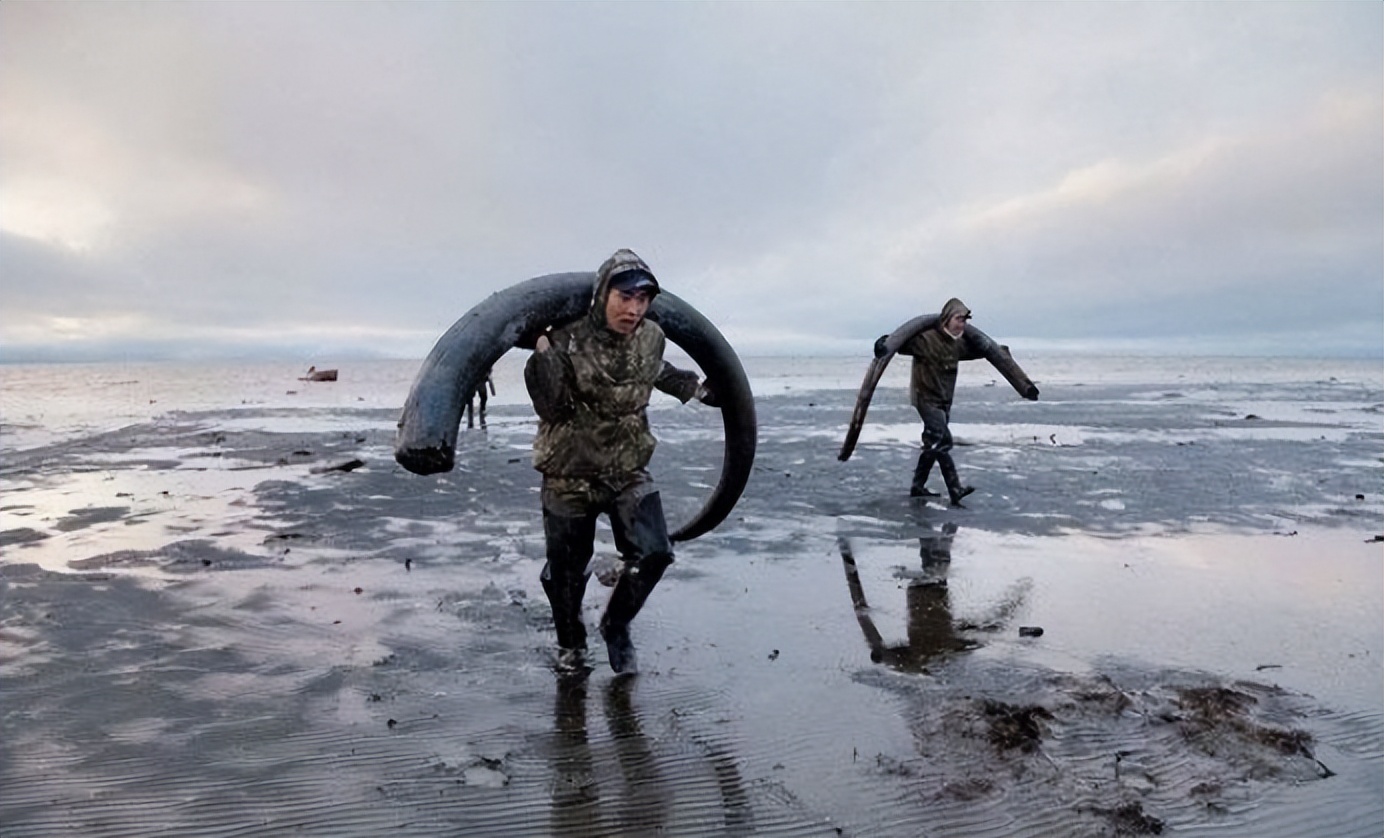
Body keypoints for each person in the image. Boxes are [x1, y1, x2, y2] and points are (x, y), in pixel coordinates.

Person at [524, 249, 718, 676]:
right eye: (624, 296)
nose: (634, 308)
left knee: (654, 553)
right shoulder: (565, 338)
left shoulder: (651, 336)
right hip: (568, 471)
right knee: (566, 572)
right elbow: (552, 407)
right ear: (601, 295)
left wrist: (699, 391)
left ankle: (616, 625)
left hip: (627, 465)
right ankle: (571, 644)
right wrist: (543, 351)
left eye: (643, 298)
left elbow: (656, 369)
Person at [896, 297, 977, 506]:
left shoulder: (958, 344)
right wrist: (884, 342)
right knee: (944, 441)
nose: (962, 324)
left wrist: (999, 351)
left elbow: (977, 351)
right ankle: (955, 488)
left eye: (964, 321)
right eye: (958, 319)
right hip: (925, 397)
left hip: (944, 400)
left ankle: (917, 486)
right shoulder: (926, 339)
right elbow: (901, 345)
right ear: (946, 319)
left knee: (932, 442)